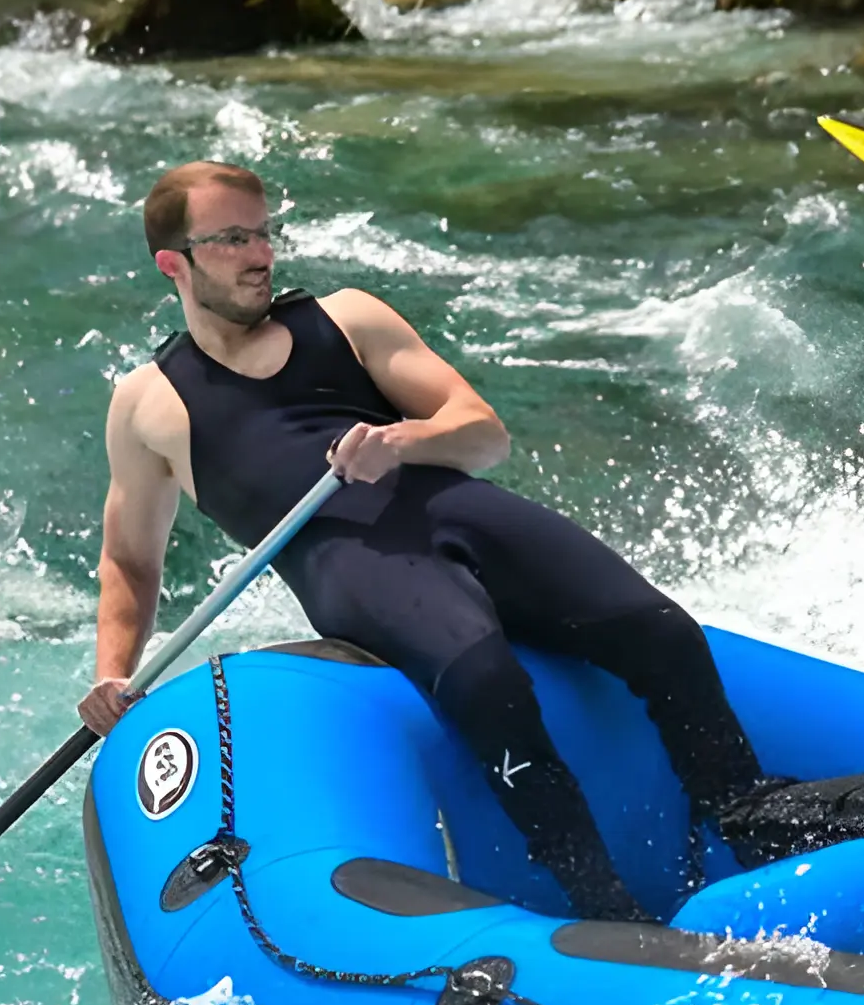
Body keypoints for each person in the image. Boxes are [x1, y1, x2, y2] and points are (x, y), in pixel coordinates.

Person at [85, 160, 765, 920]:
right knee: (488, 683)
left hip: (460, 512)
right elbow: (130, 559)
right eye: (234, 239)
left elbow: (484, 436)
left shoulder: (347, 318)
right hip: (349, 565)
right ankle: (604, 906)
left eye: (266, 232)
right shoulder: (148, 405)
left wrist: (400, 442)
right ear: (173, 263)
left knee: (662, 631)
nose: (262, 255)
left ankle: (746, 817)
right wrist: (116, 673)